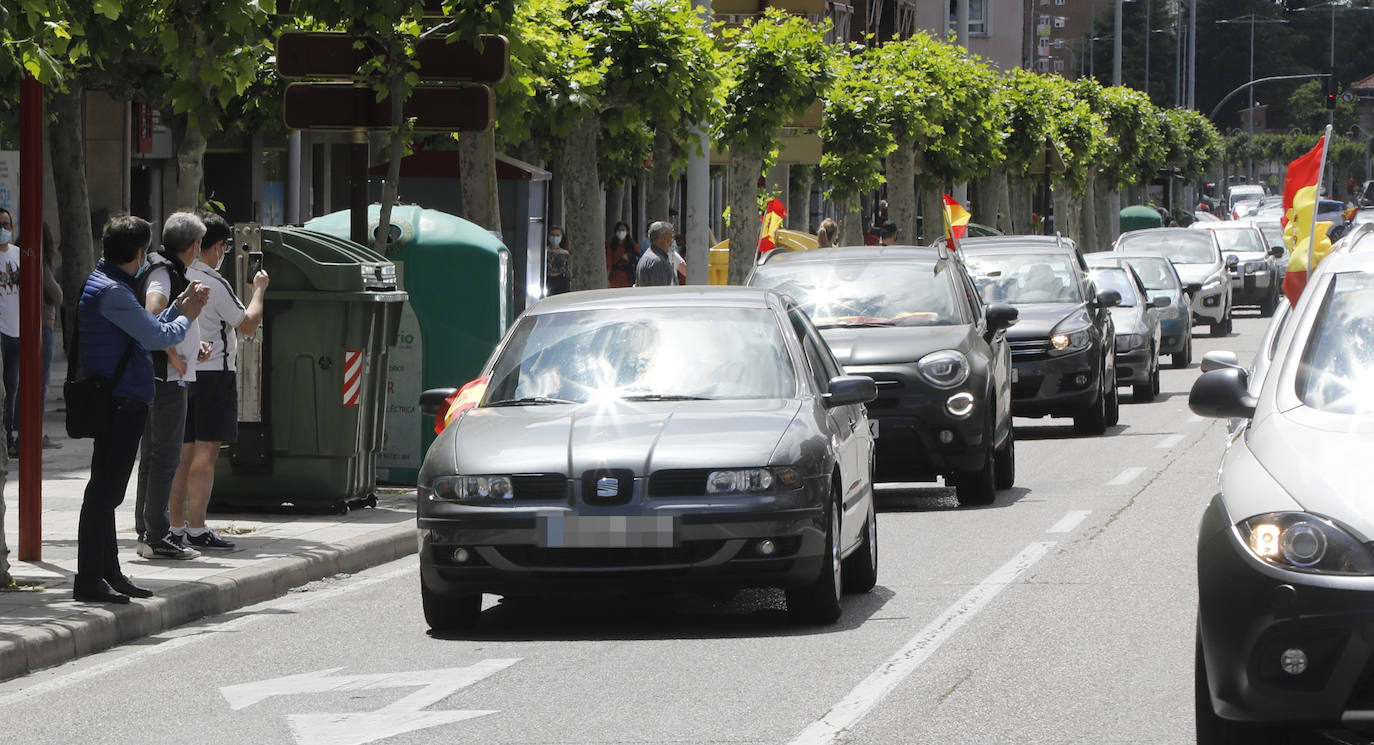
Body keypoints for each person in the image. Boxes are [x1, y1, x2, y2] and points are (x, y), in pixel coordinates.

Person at [74, 214, 208, 603]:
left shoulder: (111, 284)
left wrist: (178, 306)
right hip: (119, 403)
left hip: (122, 400)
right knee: (104, 494)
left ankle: (107, 573)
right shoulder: (112, 291)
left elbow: (143, 329)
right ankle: (89, 578)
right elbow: (154, 336)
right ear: (139, 252)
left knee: (107, 492)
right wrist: (187, 314)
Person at [170, 212, 268, 552]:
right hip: (214, 373)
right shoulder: (214, 281)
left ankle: (175, 526)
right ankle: (197, 526)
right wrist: (259, 290)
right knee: (206, 453)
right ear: (214, 247)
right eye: (224, 246)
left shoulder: (176, 275)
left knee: (181, 453)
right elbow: (247, 324)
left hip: (182, 373)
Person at [134, 212, 206, 561]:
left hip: (165, 375)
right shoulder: (164, 273)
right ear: (194, 245)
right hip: (167, 379)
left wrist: (191, 346)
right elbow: (153, 314)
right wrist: (173, 353)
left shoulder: (165, 269)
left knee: (153, 456)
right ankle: (158, 534)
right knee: (165, 458)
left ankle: (148, 532)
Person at [40, 224, 63, 449]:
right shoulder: (40, 262)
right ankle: (34, 432)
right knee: (41, 383)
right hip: (43, 327)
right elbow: (57, 295)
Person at [0, 209, 18, 458]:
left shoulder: (19, 255)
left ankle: (9, 432)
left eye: (6, 224)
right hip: (1, 330)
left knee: (12, 387)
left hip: (17, 329)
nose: (3, 228)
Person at [635, 221, 678, 287]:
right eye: (671, 236)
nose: (672, 240)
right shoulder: (658, 262)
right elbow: (661, 293)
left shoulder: (647, 256)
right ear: (664, 237)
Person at [606, 221, 639, 288]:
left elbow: (639, 260)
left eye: (623, 230)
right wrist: (607, 278)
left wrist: (629, 258)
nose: (621, 232)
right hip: (615, 277)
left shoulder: (633, 246)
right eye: (619, 230)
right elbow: (608, 263)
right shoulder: (612, 247)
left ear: (627, 232)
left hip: (629, 277)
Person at [545, 227, 570, 295]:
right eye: (552, 235)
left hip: (561, 282)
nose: (555, 237)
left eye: (557, 235)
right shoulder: (543, 252)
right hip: (546, 280)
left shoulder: (565, 253)